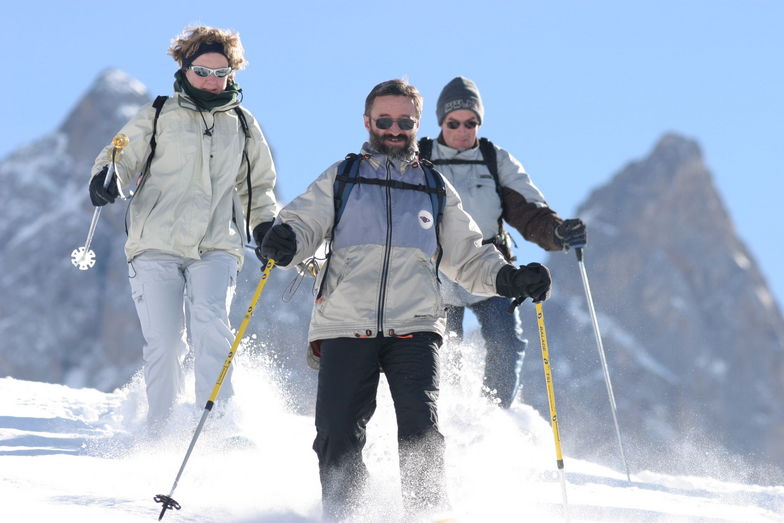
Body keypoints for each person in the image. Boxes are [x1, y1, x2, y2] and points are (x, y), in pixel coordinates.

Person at [259, 79, 552, 520]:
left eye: (404, 122)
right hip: (345, 322)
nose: (394, 130)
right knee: (337, 434)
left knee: (422, 431)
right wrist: (285, 240)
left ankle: (426, 513)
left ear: (417, 125)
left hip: (414, 324)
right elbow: (303, 222)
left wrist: (509, 278)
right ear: (367, 122)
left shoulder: (433, 186)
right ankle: (343, 514)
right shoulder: (343, 176)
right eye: (385, 121)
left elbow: (468, 253)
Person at [88, 25, 278, 433]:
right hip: (155, 243)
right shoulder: (158, 113)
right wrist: (109, 176)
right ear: (185, 67)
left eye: (220, 73)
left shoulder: (243, 125)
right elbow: (120, 154)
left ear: (232, 73)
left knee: (212, 327)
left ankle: (216, 431)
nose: (211, 81)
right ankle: (160, 431)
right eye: (202, 71)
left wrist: (263, 225)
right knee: (165, 342)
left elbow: (258, 186)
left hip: (216, 245)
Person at [418, 76, 586, 408]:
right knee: (439, 349)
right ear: (441, 122)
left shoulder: (495, 161)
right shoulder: (421, 157)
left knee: (506, 343)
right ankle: (442, 415)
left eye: (471, 122)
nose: (463, 130)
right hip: (437, 271)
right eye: (454, 123)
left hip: (489, 267)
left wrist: (557, 232)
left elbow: (529, 211)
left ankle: (492, 416)